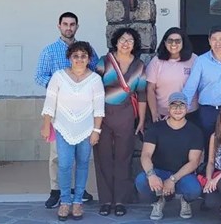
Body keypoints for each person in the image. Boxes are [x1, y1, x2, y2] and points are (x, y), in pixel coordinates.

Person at [35, 12, 98, 208]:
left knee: (81, 155)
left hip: (83, 112)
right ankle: (57, 190)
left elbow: (95, 71)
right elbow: (39, 76)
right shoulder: (49, 51)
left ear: (77, 27)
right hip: (58, 110)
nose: (68, 28)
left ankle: (78, 190)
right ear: (59, 26)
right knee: (58, 155)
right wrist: (60, 88)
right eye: (65, 24)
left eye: (72, 24)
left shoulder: (86, 49)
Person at [40, 41, 105, 221]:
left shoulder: (95, 80)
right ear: (69, 58)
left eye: (83, 56)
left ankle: (78, 202)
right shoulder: (58, 77)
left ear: (89, 58)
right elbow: (50, 103)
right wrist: (46, 125)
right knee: (64, 164)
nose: (79, 59)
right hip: (63, 127)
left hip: (86, 129)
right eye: (75, 56)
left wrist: (96, 131)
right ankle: (65, 202)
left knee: (83, 164)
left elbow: (99, 108)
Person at [93, 27, 148, 217]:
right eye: (122, 40)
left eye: (130, 41)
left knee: (123, 159)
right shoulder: (104, 62)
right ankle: (106, 200)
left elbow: (142, 94)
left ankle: (119, 201)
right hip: (102, 115)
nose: (126, 43)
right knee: (104, 158)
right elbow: (93, 88)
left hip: (126, 115)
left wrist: (141, 120)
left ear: (135, 45)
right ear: (116, 42)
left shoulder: (139, 65)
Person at [135, 92, 204, 221]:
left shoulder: (195, 131)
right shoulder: (156, 129)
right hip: (159, 172)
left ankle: (185, 201)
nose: (178, 109)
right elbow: (146, 155)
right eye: (174, 106)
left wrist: (172, 179)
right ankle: (158, 200)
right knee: (141, 180)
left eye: (181, 106)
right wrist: (151, 175)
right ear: (168, 108)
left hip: (182, 175)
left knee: (194, 189)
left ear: (187, 108)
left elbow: (194, 162)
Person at [182, 25, 221, 153]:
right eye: (214, 39)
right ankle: (209, 172)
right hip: (208, 112)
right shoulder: (201, 61)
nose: (218, 43)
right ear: (209, 41)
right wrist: (181, 107)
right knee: (209, 148)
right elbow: (190, 87)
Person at [146, 28, 198, 123]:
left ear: (183, 43)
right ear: (165, 42)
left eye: (178, 41)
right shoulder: (156, 61)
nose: (173, 44)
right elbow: (150, 89)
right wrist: (154, 112)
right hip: (163, 114)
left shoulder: (194, 60)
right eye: (170, 41)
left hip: (189, 113)